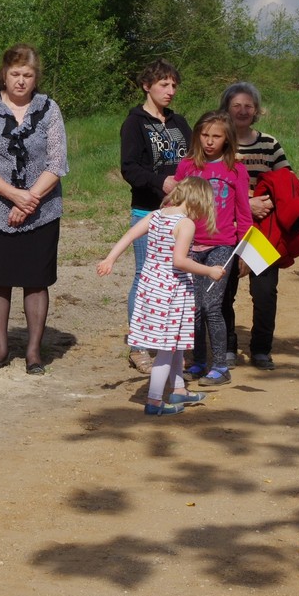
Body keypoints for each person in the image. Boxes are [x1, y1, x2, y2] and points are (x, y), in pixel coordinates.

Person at [0, 44, 69, 375]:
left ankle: (34, 352)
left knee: (35, 280)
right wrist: (14, 195)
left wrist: (30, 200)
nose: (21, 81)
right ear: (4, 74)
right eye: (15, 74)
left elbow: (57, 162)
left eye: (27, 75)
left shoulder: (50, 109)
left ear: (35, 77)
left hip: (42, 210)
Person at [97, 177, 226, 416]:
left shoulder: (157, 214)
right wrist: (210, 271)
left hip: (151, 287)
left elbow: (130, 235)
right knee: (167, 348)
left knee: (175, 344)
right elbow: (180, 261)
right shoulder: (185, 224)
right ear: (199, 201)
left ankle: (179, 389)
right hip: (171, 291)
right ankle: (154, 401)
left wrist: (110, 258)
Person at [120, 59, 191, 374]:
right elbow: (130, 167)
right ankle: (138, 347)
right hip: (148, 211)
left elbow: (193, 160)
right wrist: (160, 182)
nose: (170, 91)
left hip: (184, 214)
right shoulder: (134, 123)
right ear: (147, 86)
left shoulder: (180, 122)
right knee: (145, 277)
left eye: (174, 85)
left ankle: (172, 344)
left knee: (179, 276)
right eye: (164, 84)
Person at [174, 110, 251, 387]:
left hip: (223, 247)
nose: (209, 141)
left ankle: (220, 366)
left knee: (211, 306)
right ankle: (198, 361)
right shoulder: (186, 167)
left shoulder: (236, 170)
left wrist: (243, 253)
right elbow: (175, 207)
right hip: (191, 247)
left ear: (227, 139)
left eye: (216, 136)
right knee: (192, 307)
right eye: (204, 135)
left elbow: (244, 214)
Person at [220, 82, 291, 370]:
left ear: (256, 110)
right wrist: (246, 202)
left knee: (264, 292)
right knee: (224, 291)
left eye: (248, 105)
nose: (243, 110)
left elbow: (287, 185)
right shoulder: (216, 142)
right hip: (224, 228)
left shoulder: (269, 144)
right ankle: (226, 347)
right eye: (236, 105)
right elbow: (207, 186)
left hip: (261, 232)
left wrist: (267, 204)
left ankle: (261, 348)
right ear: (226, 108)